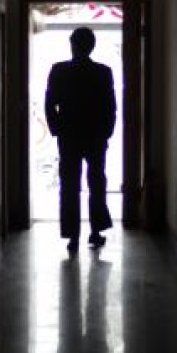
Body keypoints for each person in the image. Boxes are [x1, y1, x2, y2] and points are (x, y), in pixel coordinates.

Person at [45, 26, 116, 251]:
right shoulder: (103, 72)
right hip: (95, 136)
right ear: (92, 46)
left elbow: (50, 103)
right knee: (96, 184)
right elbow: (110, 107)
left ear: (72, 45)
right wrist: (106, 132)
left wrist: (57, 129)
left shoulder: (59, 70)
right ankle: (95, 232)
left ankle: (72, 235)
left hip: (69, 136)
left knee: (69, 185)